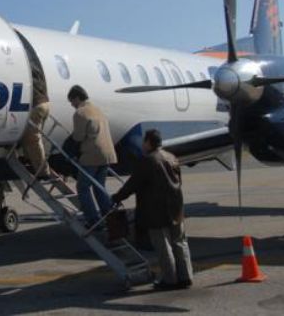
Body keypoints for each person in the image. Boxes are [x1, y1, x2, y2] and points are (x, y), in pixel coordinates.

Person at [111, 129, 193, 290]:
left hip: (156, 210)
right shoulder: (172, 157)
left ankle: (170, 279)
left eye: (144, 141)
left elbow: (133, 184)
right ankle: (186, 277)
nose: (142, 145)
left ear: (148, 142)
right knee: (180, 242)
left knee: (163, 245)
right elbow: (178, 181)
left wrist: (117, 197)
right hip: (176, 207)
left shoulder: (148, 161)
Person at [68, 85, 117, 229]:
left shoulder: (80, 112)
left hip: (92, 156)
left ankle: (93, 219)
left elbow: (78, 137)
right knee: (99, 187)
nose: (72, 105)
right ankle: (109, 217)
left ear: (77, 98)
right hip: (107, 155)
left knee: (82, 188)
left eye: (72, 101)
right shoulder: (98, 110)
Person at [20, 58, 53, 179]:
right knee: (34, 136)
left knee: (32, 138)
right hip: (46, 104)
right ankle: (29, 159)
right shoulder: (37, 72)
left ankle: (43, 171)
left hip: (37, 105)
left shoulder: (26, 73)